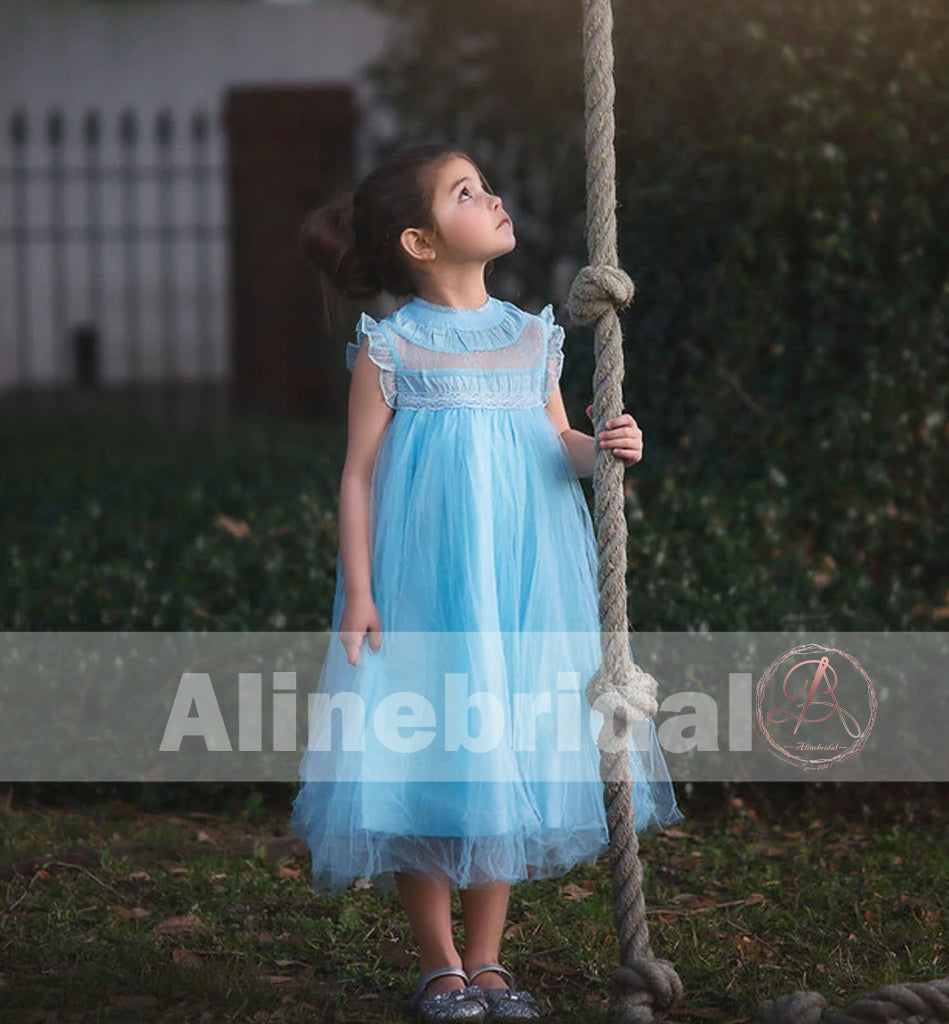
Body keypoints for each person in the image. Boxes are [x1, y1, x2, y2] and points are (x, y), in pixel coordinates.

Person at [291, 142, 683, 1022]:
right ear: (421, 242)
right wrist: (358, 590)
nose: (494, 196)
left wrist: (607, 448)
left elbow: (557, 450)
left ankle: (489, 963)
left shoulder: (529, 335)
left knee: (500, 751)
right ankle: (439, 964)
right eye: (466, 192)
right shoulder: (391, 349)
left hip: (518, 583)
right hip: (426, 586)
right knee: (432, 753)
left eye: (484, 184)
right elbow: (357, 474)